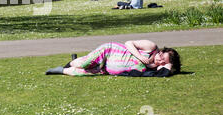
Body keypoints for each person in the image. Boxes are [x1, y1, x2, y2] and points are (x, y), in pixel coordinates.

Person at [45, 40, 181, 77]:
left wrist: (167, 65)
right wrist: (140, 56)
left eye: (164, 61)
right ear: (161, 51)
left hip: (108, 68)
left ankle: (60, 70)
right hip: (109, 51)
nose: (160, 60)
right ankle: (70, 62)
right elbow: (128, 43)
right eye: (162, 56)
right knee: (85, 63)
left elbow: (167, 70)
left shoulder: (154, 68)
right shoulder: (151, 47)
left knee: (82, 73)